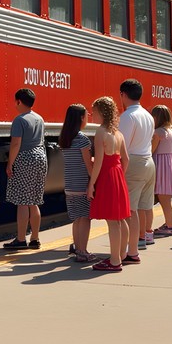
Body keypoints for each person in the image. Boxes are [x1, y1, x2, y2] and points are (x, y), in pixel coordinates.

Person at [86, 96, 131, 271]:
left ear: (102, 113)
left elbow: (97, 162)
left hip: (106, 176)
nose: (92, 115)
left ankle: (114, 261)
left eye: (94, 111)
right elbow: (126, 159)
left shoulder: (101, 132)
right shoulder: (118, 134)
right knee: (120, 218)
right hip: (118, 174)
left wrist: (92, 184)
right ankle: (121, 255)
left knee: (112, 221)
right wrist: (119, 175)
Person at [3, 87, 48, 249]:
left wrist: (10, 164)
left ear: (19, 101)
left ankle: (21, 239)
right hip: (40, 157)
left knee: (22, 201)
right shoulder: (39, 118)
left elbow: (16, 144)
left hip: (25, 158)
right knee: (33, 201)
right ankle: (35, 238)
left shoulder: (19, 120)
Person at [118, 79, 155, 262]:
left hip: (134, 163)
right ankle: (139, 242)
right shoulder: (147, 115)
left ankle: (132, 252)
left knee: (130, 211)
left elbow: (122, 145)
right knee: (142, 206)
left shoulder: (127, 116)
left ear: (123, 94)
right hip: (149, 162)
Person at [58, 104, 95, 262]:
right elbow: (88, 165)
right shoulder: (82, 139)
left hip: (70, 184)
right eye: (86, 115)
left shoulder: (65, 138)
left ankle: (77, 249)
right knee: (85, 218)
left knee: (76, 218)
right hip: (81, 184)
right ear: (81, 118)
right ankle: (82, 251)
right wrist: (93, 181)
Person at [151, 104, 172, 236]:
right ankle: (169, 224)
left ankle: (170, 225)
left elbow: (151, 150)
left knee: (162, 199)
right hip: (170, 164)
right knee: (166, 200)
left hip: (160, 165)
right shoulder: (171, 132)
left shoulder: (158, 132)